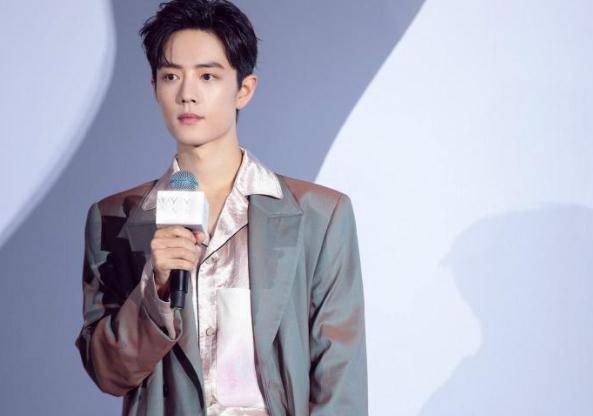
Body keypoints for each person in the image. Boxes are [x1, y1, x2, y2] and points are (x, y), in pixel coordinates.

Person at [74, 1, 367, 415]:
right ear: (154, 88)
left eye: (207, 76)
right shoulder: (113, 219)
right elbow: (108, 372)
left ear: (244, 89)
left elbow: (340, 377)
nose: (187, 94)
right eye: (171, 76)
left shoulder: (321, 216)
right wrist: (156, 289)